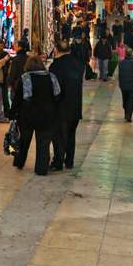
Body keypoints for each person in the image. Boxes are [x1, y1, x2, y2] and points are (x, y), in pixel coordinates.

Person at [11, 56, 61, 175]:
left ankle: (19, 162)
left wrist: (13, 113)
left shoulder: (25, 78)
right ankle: (41, 168)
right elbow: (57, 95)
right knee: (43, 143)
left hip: (27, 115)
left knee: (24, 140)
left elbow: (17, 98)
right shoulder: (51, 77)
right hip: (47, 115)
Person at [49, 40, 84, 169]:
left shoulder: (56, 66)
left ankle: (58, 162)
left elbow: (54, 88)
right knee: (71, 135)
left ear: (56, 50)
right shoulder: (78, 64)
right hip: (75, 107)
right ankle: (69, 161)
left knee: (59, 136)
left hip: (61, 107)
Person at [117, 47, 133, 122]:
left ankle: (126, 112)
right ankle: (129, 115)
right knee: (131, 100)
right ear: (132, 54)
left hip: (123, 85)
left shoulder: (120, 63)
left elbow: (117, 74)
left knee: (125, 100)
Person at [6, 39, 31, 114]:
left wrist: (9, 82)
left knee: (16, 101)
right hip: (27, 83)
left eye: (16, 45)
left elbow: (13, 73)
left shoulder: (16, 59)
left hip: (17, 84)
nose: (14, 47)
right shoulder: (28, 58)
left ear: (19, 47)